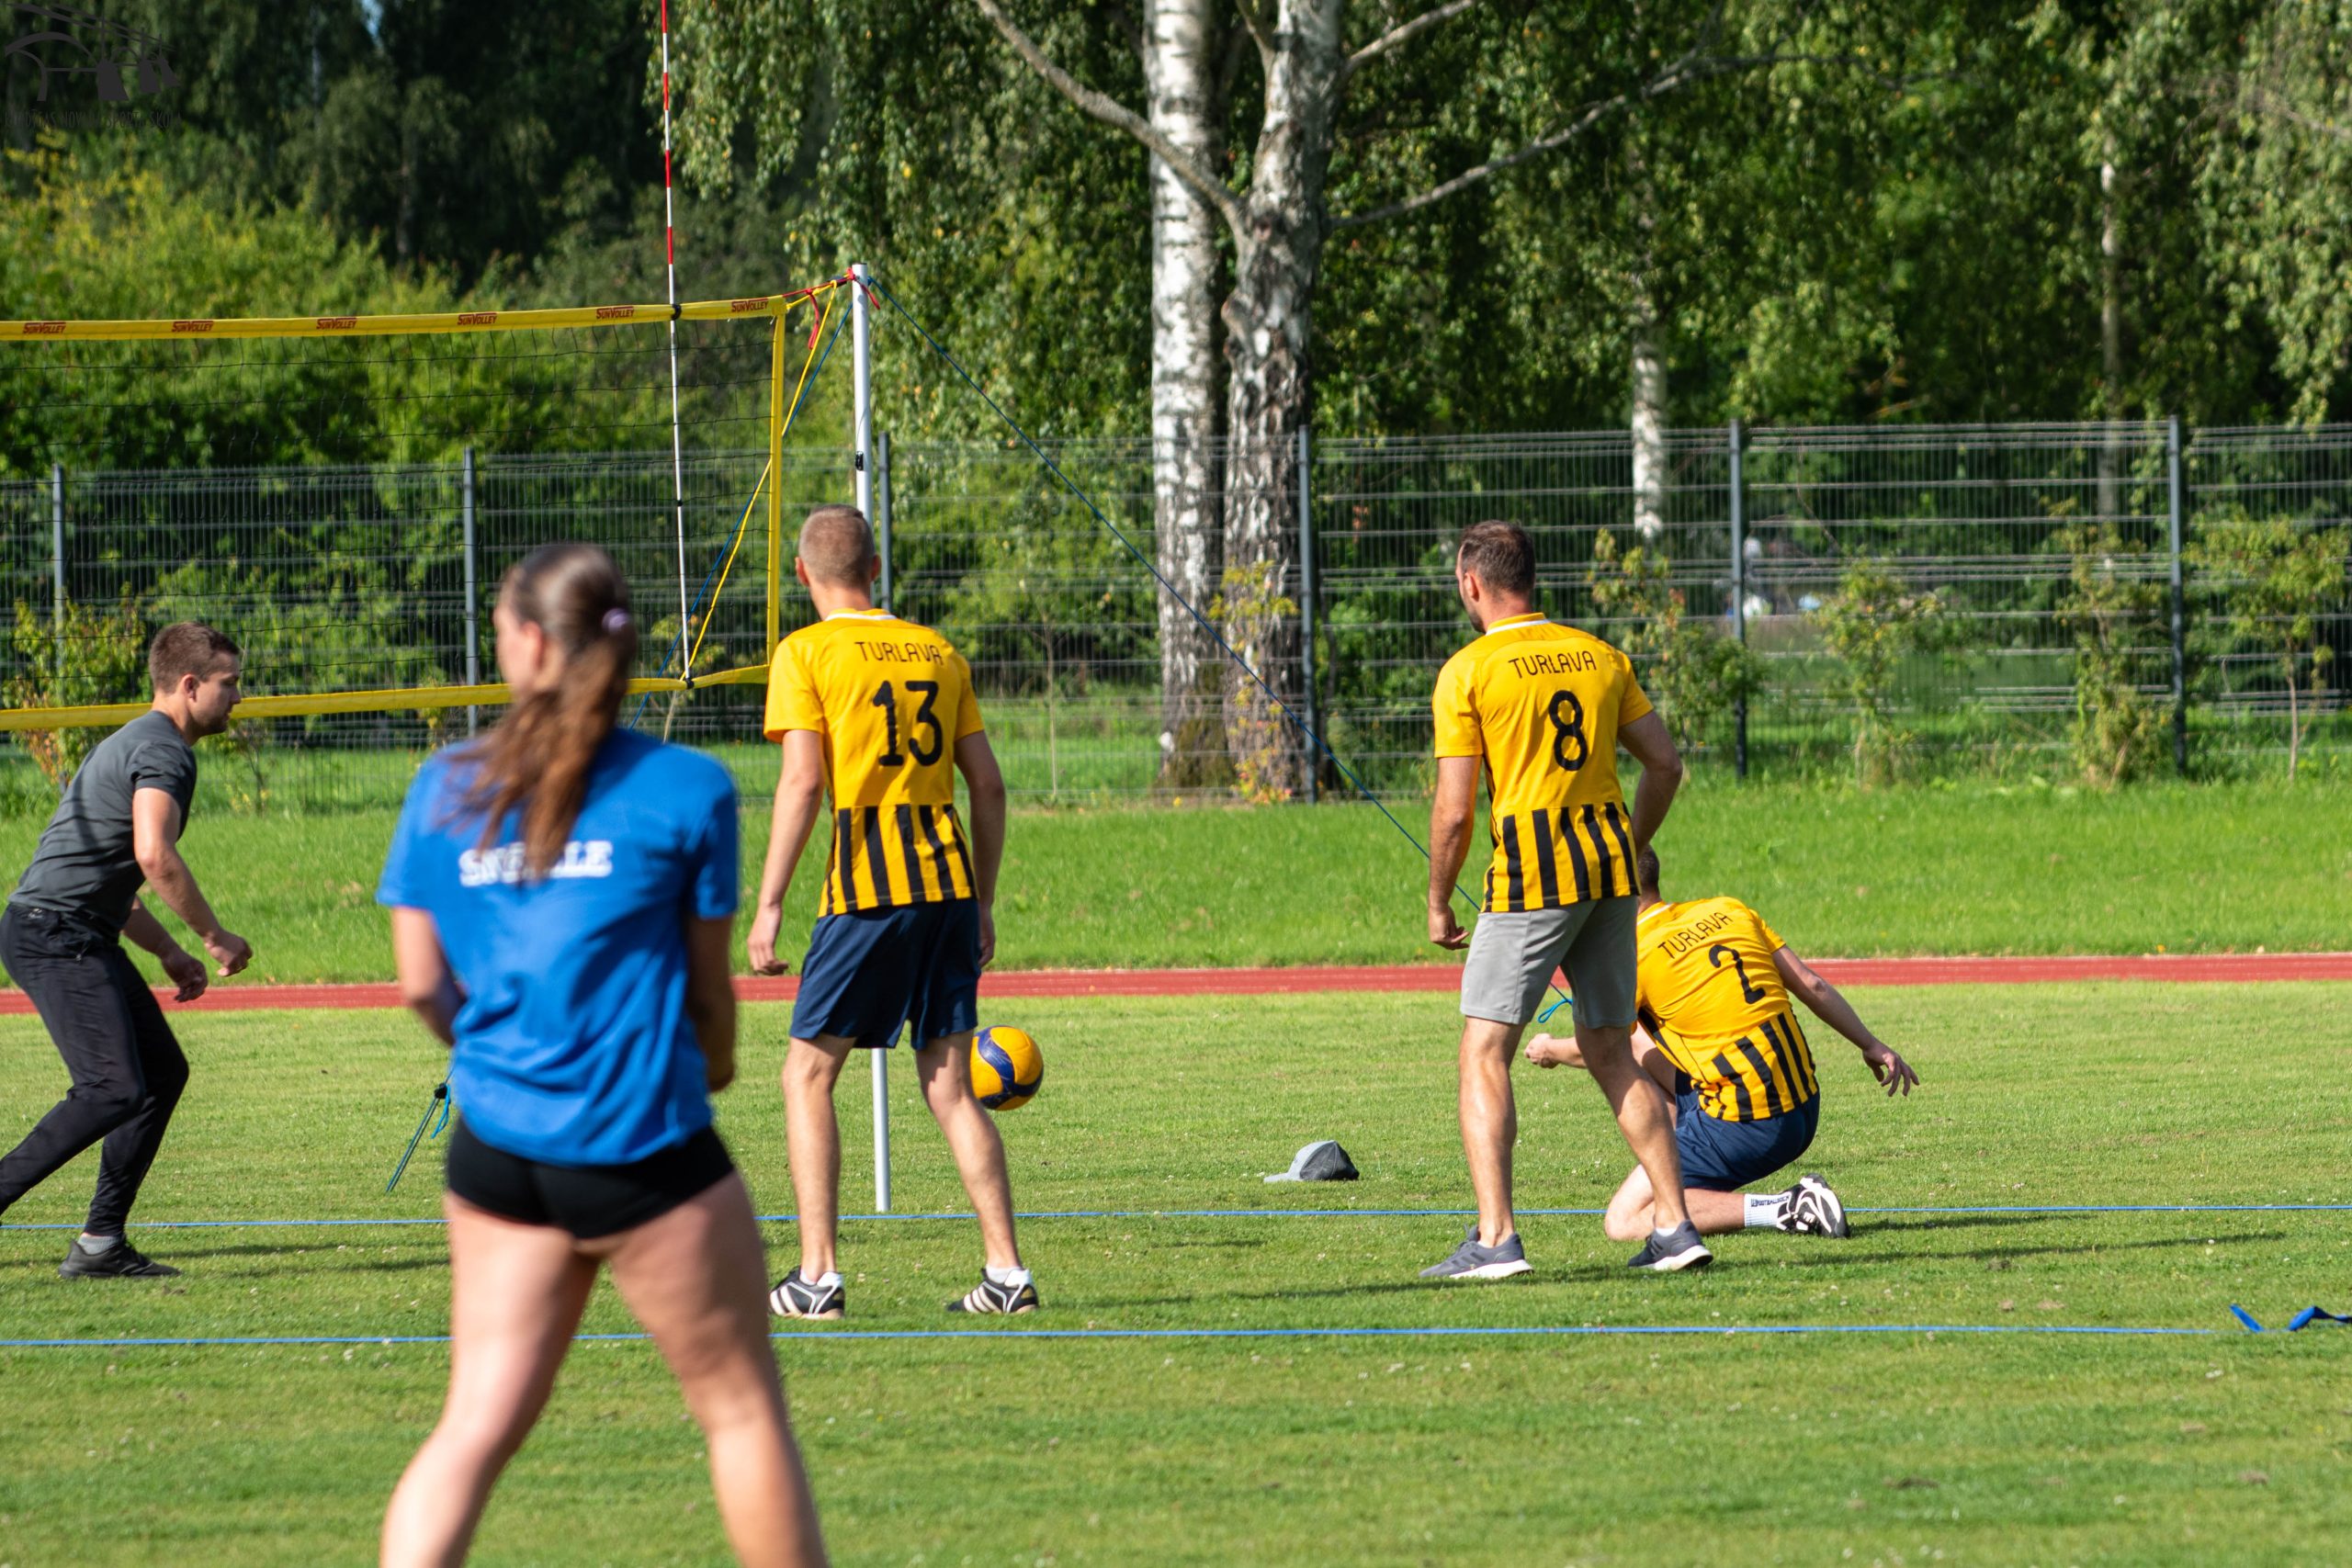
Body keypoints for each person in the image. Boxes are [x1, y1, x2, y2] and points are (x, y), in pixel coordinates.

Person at [376, 544, 826, 1568]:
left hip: (497, 1146)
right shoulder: (687, 786)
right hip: (645, 1145)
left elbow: (420, 985)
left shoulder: (444, 786)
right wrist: (712, 1066)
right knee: (740, 1412)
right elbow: (709, 993)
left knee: (473, 1427)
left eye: (501, 626)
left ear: (531, 642)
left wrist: (501, 1056)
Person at [747, 503, 1032, 1319]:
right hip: (948, 888)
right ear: (875, 569)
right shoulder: (938, 650)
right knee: (951, 1085)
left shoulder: (805, 651)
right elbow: (989, 785)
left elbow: (804, 781)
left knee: (807, 1074)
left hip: (868, 893)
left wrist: (768, 904)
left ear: (802, 574)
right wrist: (983, 898)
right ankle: (1007, 1272)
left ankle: (818, 1276)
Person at [1420, 520, 1710, 1280]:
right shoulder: (1600, 655)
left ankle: (1495, 1239)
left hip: (1530, 880)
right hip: (1611, 878)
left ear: (1472, 583)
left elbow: (1453, 812)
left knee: (1485, 1050)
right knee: (1611, 1047)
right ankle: (1676, 1226)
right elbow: (1665, 764)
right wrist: (1629, 841)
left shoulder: (1469, 670)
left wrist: (1438, 900)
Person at [0, 622, 253, 1278]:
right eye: (230, 683)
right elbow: (153, 855)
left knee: (159, 1075)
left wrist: (168, 951)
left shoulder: (130, 741)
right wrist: (213, 935)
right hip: (55, 933)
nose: (239, 697)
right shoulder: (164, 752)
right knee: (111, 1088)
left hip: (66, 927)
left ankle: (100, 1243)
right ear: (190, 685)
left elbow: (108, 877)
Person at [1525, 846, 1921, 1241]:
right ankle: (1685, 1144)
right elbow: (1810, 984)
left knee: (1625, 1219)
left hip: (1748, 1126)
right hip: (1804, 1108)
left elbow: (1600, 1050)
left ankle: (1788, 1207)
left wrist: (1550, 1050)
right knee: (1638, 1040)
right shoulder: (1728, 909)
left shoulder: (1634, 957)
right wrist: (1871, 1044)